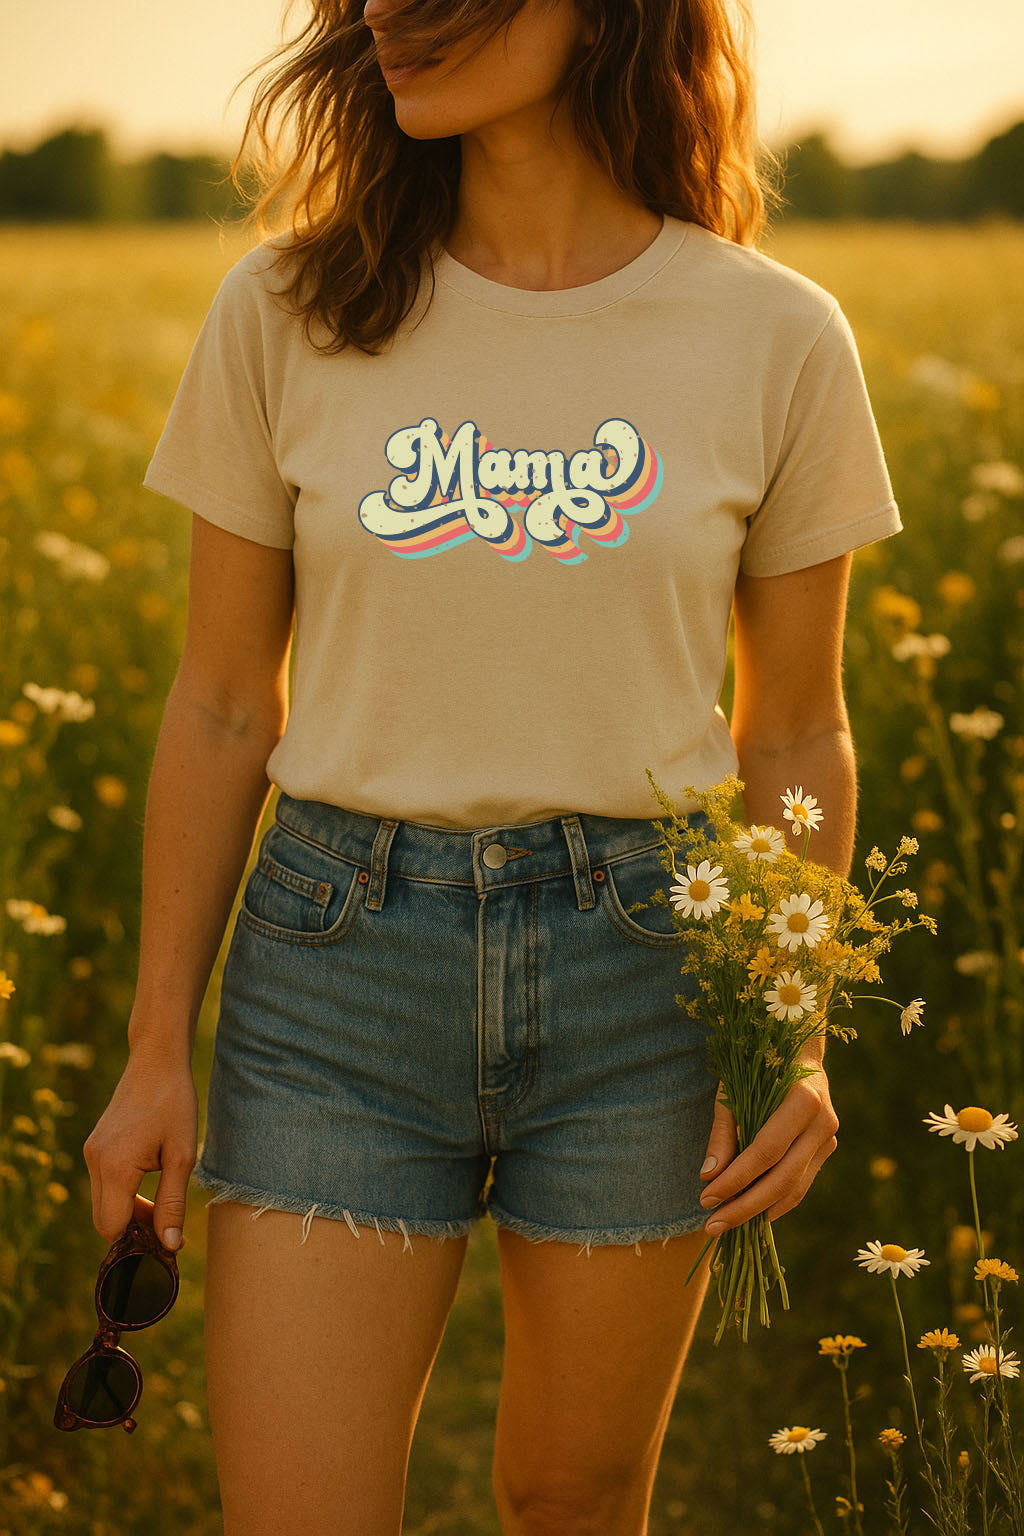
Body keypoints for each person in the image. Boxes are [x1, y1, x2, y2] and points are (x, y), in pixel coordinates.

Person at [83, 0, 903, 1530]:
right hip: (336, 974)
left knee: (574, 1502)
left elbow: (793, 726)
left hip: (645, 984)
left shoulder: (776, 334)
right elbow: (219, 704)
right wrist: (154, 1049)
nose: (392, 9)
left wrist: (790, 1027)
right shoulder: (287, 308)